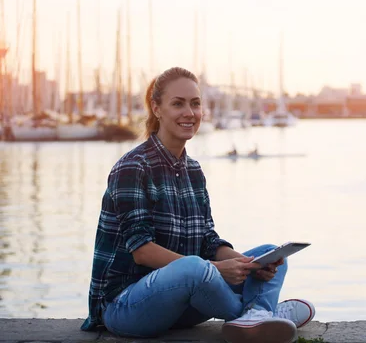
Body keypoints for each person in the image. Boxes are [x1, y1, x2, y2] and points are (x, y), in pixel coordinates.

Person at [81, 67, 315, 343]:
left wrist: (249, 264)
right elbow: (142, 251)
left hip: (181, 303)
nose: (189, 113)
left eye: (195, 103)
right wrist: (215, 270)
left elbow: (208, 241)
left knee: (271, 254)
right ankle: (263, 312)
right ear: (157, 109)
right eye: (177, 104)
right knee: (195, 268)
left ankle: (256, 315)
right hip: (124, 307)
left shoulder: (193, 170)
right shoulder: (133, 167)